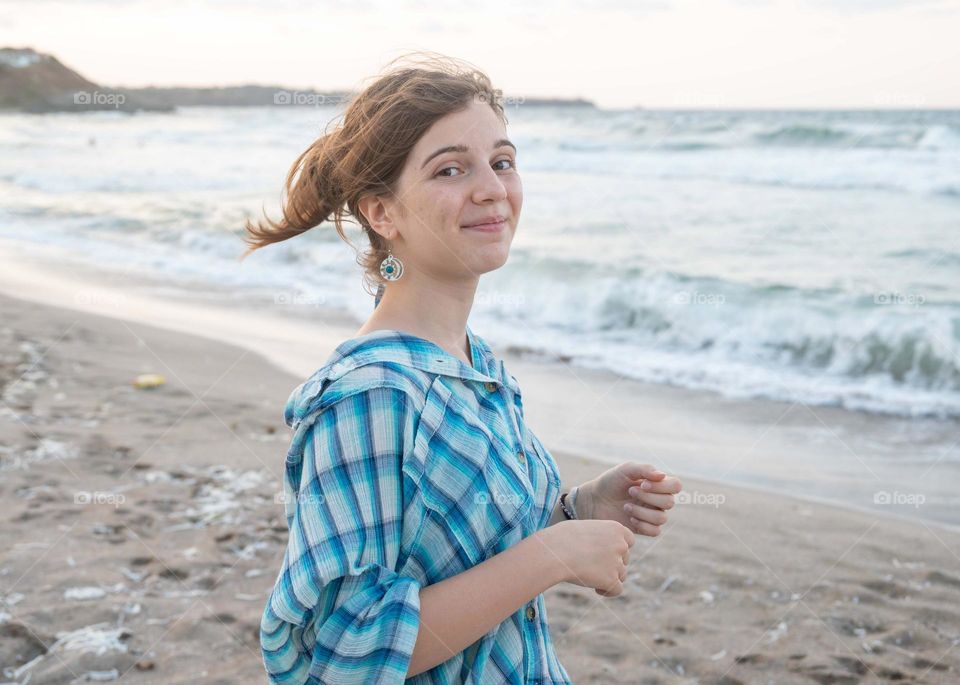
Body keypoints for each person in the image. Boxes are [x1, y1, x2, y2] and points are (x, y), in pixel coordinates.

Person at [241, 52, 682, 684]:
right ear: (381, 213)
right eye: (451, 169)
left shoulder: (475, 365)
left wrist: (578, 509)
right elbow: (346, 654)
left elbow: (462, 555)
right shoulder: (374, 395)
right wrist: (552, 555)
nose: (492, 189)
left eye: (502, 162)